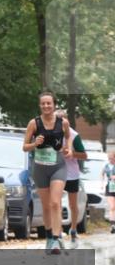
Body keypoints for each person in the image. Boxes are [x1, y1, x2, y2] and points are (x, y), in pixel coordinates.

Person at [22, 91, 71, 255]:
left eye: (49, 103)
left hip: (58, 167)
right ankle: (50, 237)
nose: (46, 106)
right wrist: (35, 143)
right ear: (40, 105)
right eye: (43, 103)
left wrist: (68, 148)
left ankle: (56, 238)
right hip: (40, 169)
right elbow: (24, 147)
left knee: (55, 203)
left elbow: (68, 137)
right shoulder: (33, 123)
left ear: (54, 104)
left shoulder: (63, 123)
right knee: (46, 206)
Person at [55, 109, 88, 247]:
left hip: (72, 174)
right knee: (56, 203)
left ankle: (73, 229)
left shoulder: (74, 136)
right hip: (56, 173)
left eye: (62, 119)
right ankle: (59, 231)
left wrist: (72, 153)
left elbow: (84, 155)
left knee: (72, 205)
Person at [103, 150, 115, 234]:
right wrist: (101, 183)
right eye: (109, 158)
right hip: (110, 187)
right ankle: (112, 225)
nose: (110, 160)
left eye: (111, 158)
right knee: (112, 207)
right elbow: (102, 174)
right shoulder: (106, 166)